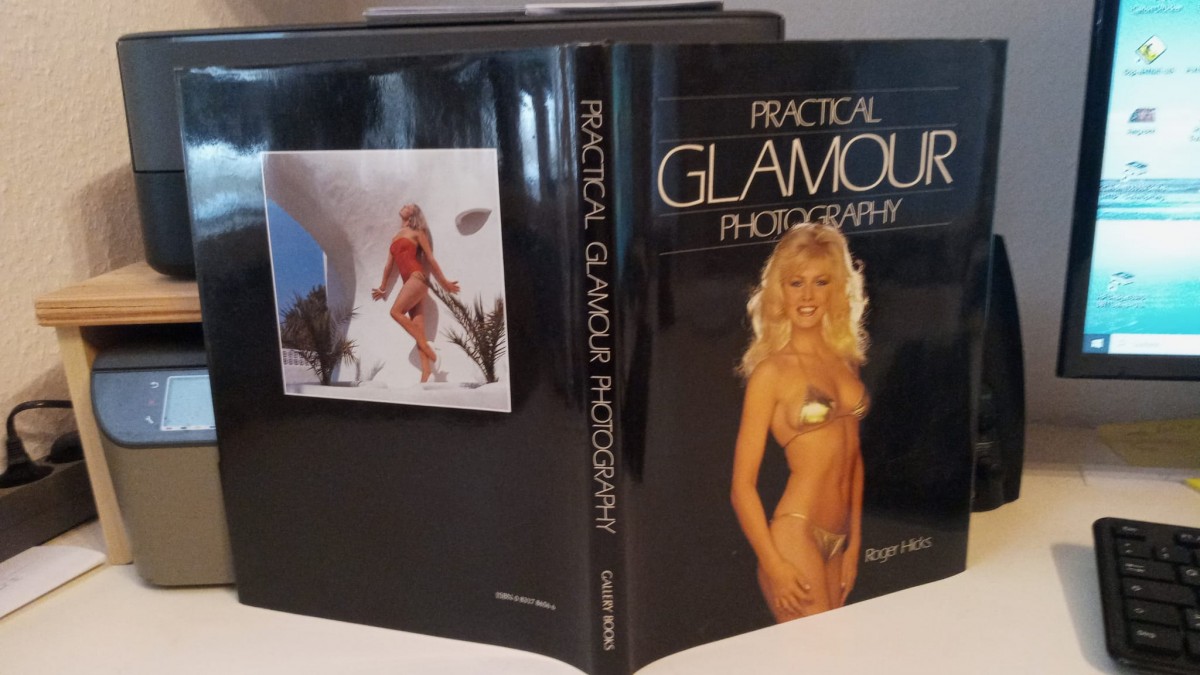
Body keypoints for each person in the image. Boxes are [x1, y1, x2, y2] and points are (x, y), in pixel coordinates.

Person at [730, 221, 869, 622]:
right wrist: (774, 564)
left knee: (837, 649)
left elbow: (854, 459)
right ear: (780, 291)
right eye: (796, 283)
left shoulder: (845, 362)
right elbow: (741, 487)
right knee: (818, 653)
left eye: (820, 282)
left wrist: (854, 546)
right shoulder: (770, 373)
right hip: (795, 533)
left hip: (838, 539)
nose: (807, 296)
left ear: (836, 288)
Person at [371, 203, 460, 382]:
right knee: (418, 329)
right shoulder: (395, 236)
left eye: (408, 206)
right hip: (410, 283)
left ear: (413, 213)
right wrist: (382, 287)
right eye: (405, 205)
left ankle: (429, 351)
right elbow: (389, 265)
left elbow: (430, 259)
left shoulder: (417, 232)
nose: (404, 206)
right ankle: (426, 373)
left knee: (395, 312)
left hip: (417, 277)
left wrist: (444, 282)